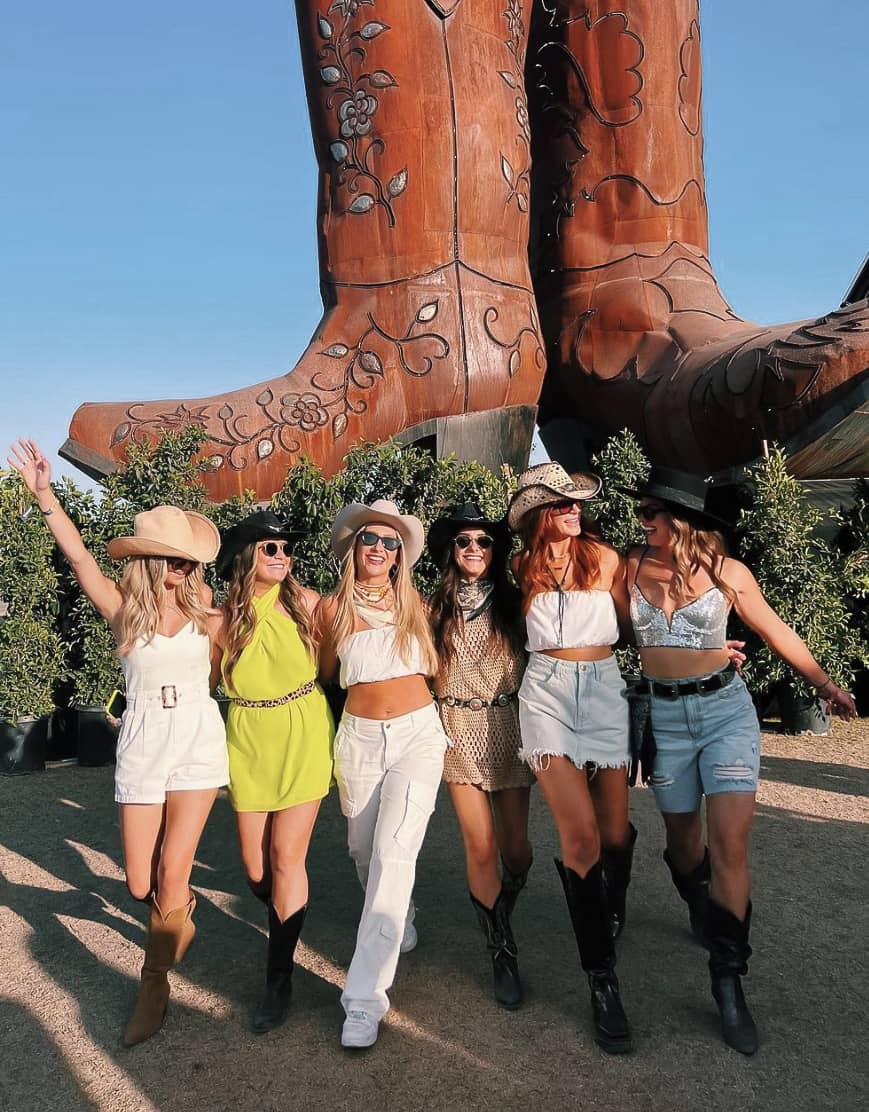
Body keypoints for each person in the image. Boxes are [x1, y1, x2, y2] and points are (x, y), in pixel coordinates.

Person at [622, 466, 857, 1056]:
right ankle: (700, 901)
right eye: (643, 511)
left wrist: (825, 684)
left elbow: (774, 629)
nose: (642, 520)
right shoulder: (628, 568)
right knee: (683, 843)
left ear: (682, 521)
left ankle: (728, 980)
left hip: (726, 715)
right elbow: (603, 628)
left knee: (730, 844)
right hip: (666, 720)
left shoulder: (729, 575)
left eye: (651, 512)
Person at [7, 437, 228, 1047]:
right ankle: (178, 913)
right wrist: (45, 495)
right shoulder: (121, 608)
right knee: (138, 882)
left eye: (190, 562)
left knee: (172, 869)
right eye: (174, 561)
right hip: (143, 740)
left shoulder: (208, 605)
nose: (186, 571)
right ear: (151, 562)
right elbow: (78, 558)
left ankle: (151, 982)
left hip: (198, 740)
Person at [508, 462, 634, 1055]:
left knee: (612, 831)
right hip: (546, 693)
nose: (573, 509)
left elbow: (640, 625)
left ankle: (617, 888)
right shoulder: (519, 569)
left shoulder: (606, 560)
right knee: (579, 838)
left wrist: (707, 651)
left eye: (576, 503)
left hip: (604, 688)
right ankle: (601, 979)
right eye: (561, 503)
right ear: (539, 514)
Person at [318, 499, 448, 1049]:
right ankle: (402, 912)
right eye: (370, 539)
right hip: (360, 739)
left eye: (391, 542)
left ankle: (363, 1001)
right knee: (364, 850)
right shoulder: (331, 609)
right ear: (354, 548)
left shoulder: (417, 604)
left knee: (395, 856)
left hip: (418, 736)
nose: (379, 548)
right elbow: (327, 674)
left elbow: (444, 666)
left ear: (401, 555)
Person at [213, 510, 334, 1033]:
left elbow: (330, 668)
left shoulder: (308, 605)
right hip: (249, 738)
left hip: (304, 728)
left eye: (286, 548)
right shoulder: (220, 620)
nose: (282, 556)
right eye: (270, 548)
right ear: (246, 555)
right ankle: (280, 911)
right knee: (255, 869)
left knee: (288, 856)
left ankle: (278, 979)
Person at [428, 503, 533, 1010]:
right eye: (464, 541)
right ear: (452, 550)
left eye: (483, 541)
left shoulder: (518, 603)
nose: (474, 549)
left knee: (517, 849)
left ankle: (502, 901)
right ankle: (501, 949)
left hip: (508, 726)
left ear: (496, 550)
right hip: (454, 729)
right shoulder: (432, 608)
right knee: (481, 846)